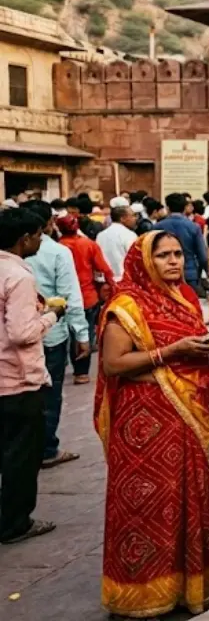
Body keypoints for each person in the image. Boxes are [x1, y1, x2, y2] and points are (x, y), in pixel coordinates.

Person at [96, 231, 209, 615]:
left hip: (183, 414)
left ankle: (189, 587)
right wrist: (174, 351)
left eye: (177, 254)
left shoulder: (184, 298)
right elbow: (113, 364)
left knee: (189, 495)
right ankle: (142, 594)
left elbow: (190, 346)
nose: (173, 261)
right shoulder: (126, 306)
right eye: (163, 255)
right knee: (147, 505)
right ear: (144, 261)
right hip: (143, 422)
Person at [0, 207, 60, 545]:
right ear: (25, 239)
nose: (41, 239)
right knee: (21, 457)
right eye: (38, 234)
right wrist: (50, 316)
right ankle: (15, 522)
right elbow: (22, 333)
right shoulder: (19, 277)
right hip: (17, 380)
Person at [21, 201, 86, 469]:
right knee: (50, 393)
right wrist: (81, 333)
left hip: (22, 337)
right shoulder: (57, 252)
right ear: (47, 224)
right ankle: (47, 448)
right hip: (50, 335)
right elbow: (69, 296)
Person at [57, 215, 113, 385]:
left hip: (62, 299)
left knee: (64, 333)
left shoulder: (58, 247)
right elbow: (103, 268)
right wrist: (113, 287)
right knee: (84, 333)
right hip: (87, 297)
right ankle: (81, 372)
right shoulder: (88, 244)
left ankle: (63, 365)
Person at [157, 193, 209, 290]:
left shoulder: (157, 227)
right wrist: (207, 272)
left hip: (163, 273)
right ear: (185, 208)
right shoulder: (193, 227)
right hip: (189, 273)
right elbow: (202, 255)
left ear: (168, 208)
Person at [97, 205, 139, 281]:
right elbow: (135, 259)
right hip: (124, 280)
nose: (135, 218)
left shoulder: (100, 235)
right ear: (122, 218)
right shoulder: (129, 235)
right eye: (133, 216)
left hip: (104, 280)